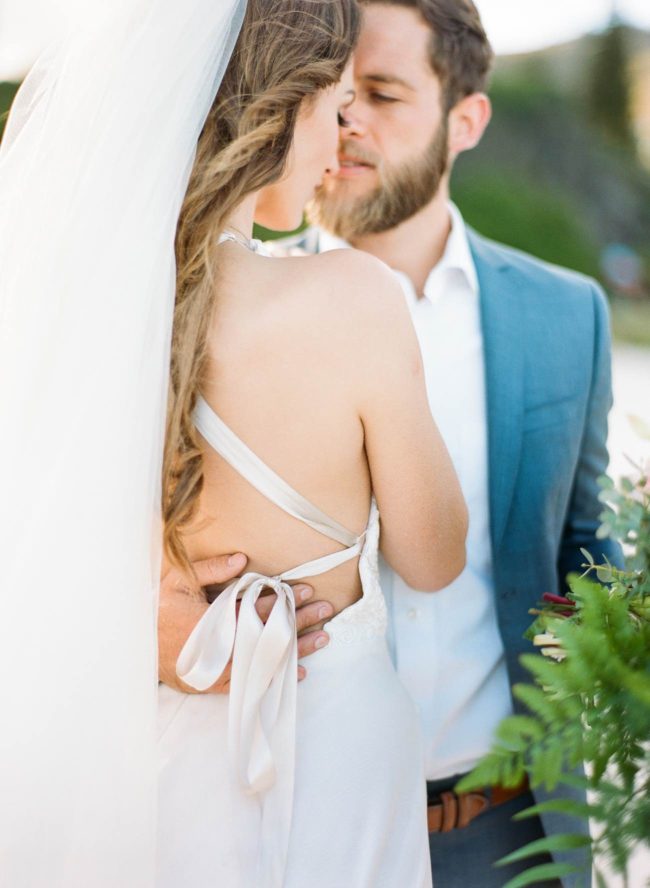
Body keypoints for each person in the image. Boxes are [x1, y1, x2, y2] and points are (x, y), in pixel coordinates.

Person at [300, 1, 624, 886]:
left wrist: (622, 621)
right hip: (302, 831)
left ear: (465, 119)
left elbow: (583, 544)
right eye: (332, 92)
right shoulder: (234, 312)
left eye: (383, 93)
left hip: (511, 833)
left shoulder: (567, 316)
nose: (346, 120)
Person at [156, 2, 468, 887]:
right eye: (334, 110)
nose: (338, 151)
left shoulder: (103, 303)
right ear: (282, 111)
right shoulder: (355, 296)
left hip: (162, 748)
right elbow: (434, 556)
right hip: (332, 738)